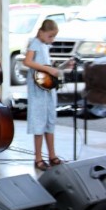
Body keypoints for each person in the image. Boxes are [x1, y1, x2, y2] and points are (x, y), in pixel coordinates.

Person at [23, 19, 66, 171]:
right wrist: (48, 70)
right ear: (41, 32)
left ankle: (52, 155)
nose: (52, 40)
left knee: (49, 122)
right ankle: (38, 158)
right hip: (38, 91)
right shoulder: (35, 43)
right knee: (39, 123)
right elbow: (27, 62)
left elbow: (48, 68)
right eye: (50, 36)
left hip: (47, 90)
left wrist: (63, 67)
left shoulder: (44, 46)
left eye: (54, 37)